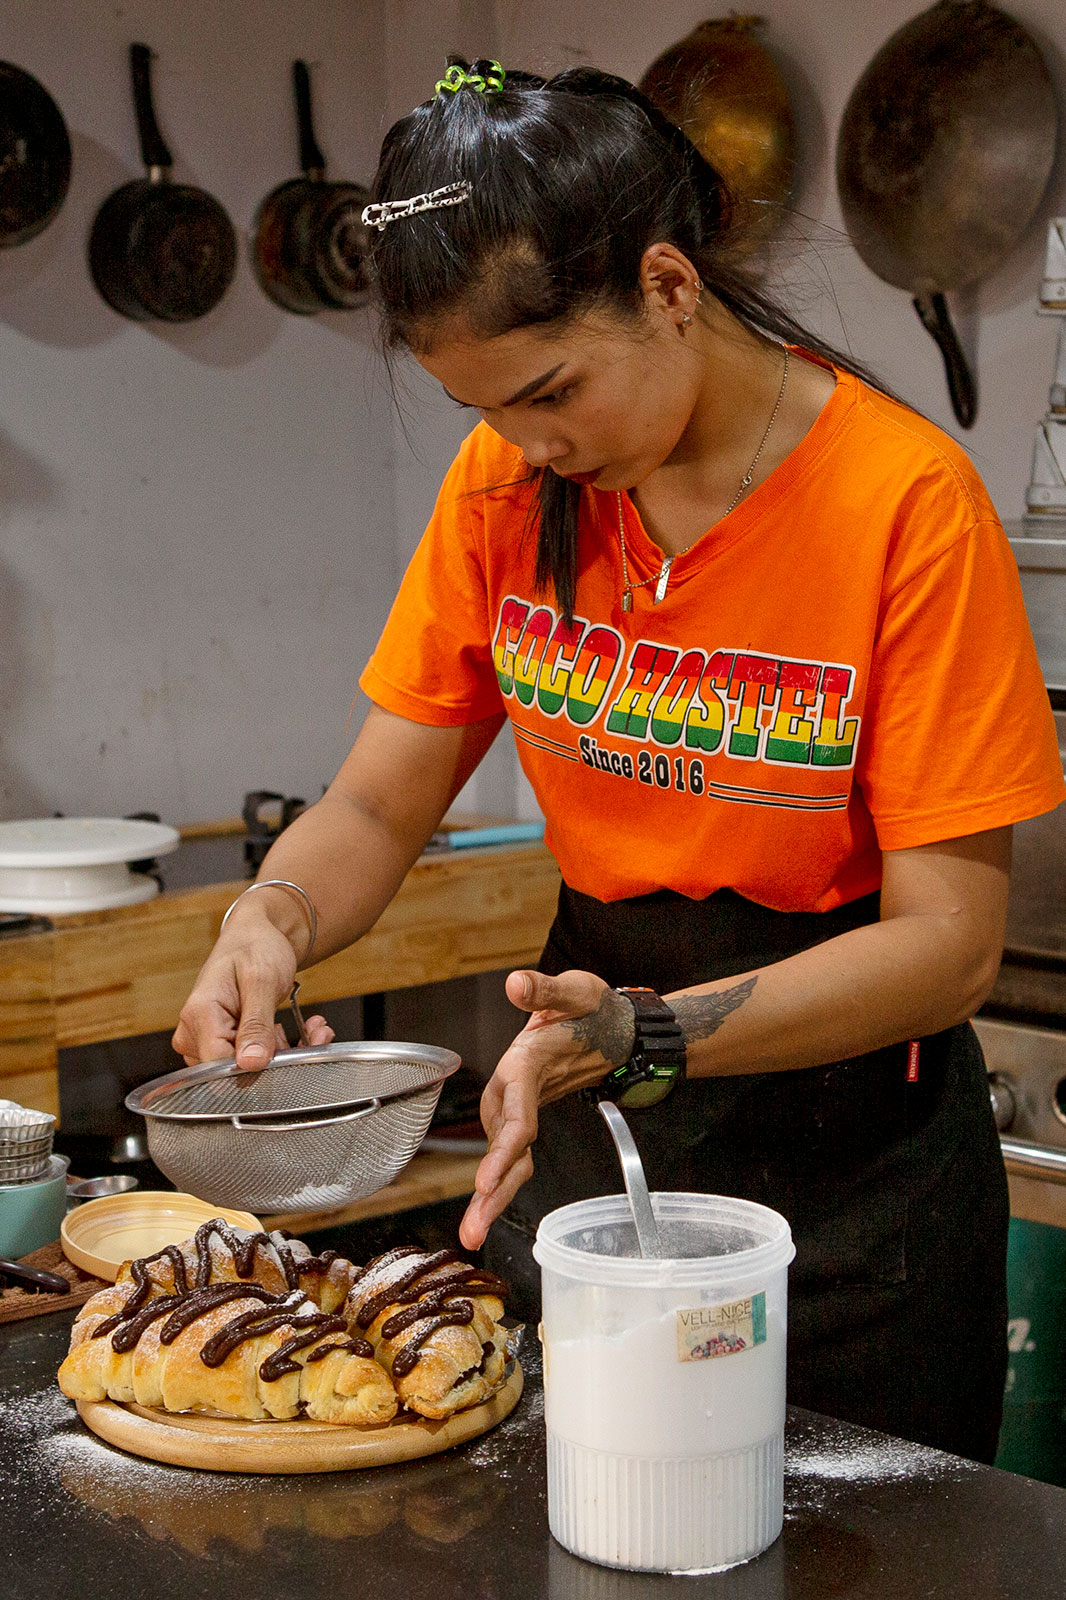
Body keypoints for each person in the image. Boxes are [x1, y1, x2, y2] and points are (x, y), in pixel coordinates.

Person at [173, 60, 1065, 1463]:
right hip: (593, 1129)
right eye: (487, 413)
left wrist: (640, 1033)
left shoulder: (902, 508)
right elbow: (372, 801)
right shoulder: (505, 489)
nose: (528, 445)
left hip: (854, 1179)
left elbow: (947, 949)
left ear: (665, 285)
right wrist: (267, 918)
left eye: (550, 391)